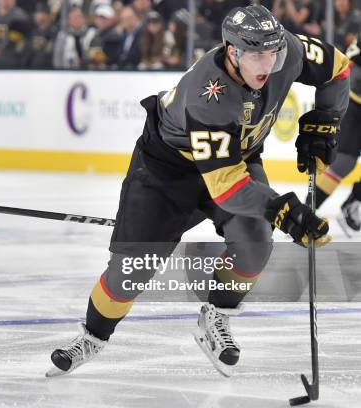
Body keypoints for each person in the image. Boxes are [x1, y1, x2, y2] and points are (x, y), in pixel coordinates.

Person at [47, 5, 349, 377]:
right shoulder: (209, 94)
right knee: (131, 271)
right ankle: (93, 336)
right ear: (231, 50)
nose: (266, 64)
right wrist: (282, 210)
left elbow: (338, 69)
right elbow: (227, 189)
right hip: (166, 172)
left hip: (235, 159)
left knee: (255, 243)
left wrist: (326, 120)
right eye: (255, 54)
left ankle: (216, 316)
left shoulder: (288, 49)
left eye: (271, 53)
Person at [309, 32, 361, 237]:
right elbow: (352, 63)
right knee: (344, 162)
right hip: (355, 102)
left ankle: (353, 202)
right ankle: (307, 210)